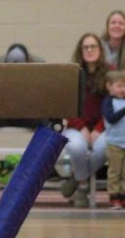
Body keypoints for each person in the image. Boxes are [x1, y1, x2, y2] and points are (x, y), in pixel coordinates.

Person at [0, 43, 47, 181]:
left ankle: (48, 165)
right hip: (4, 113)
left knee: (47, 119)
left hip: (28, 113)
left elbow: (42, 97)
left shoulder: (39, 67)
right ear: (6, 62)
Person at [60, 32, 108, 207]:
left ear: (100, 50)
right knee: (76, 147)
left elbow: (113, 104)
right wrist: (81, 127)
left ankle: (78, 178)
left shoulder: (109, 74)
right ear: (80, 51)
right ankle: (83, 184)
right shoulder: (73, 74)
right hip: (76, 126)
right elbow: (67, 105)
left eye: (93, 46)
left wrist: (99, 128)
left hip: (103, 128)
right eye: (85, 47)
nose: (89, 50)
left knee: (104, 148)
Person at [102, 71, 125, 209]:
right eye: (119, 85)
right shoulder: (108, 102)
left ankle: (123, 195)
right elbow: (111, 118)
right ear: (109, 86)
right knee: (115, 171)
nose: (123, 89)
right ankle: (114, 196)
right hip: (114, 143)